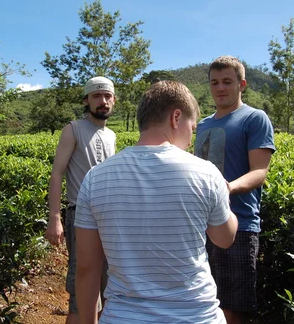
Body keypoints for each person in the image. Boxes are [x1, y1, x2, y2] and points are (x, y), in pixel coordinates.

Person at [74, 80, 238, 324]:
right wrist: (224, 198)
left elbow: (86, 269)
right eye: (191, 128)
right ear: (176, 117)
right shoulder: (206, 173)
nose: (191, 139)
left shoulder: (95, 178)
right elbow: (224, 239)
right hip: (196, 317)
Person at [194, 56, 276, 324]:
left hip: (239, 225)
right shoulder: (204, 124)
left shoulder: (254, 118)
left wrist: (226, 188)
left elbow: (259, 172)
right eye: (214, 82)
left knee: (232, 308)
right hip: (201, 225)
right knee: (203, 300)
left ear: (242, 84)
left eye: (227, 82)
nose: (220, 88)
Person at [44, 76, 117, 324]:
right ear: (86, 100)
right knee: (82, 287)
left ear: (114, 100)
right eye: (97, 96)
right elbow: (57, 173)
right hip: (80, 216)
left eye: (107, 96)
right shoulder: (73, 129)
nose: (103, 101)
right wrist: (55, 218)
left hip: (108, 219)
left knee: (108, 286)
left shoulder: (112, 135)